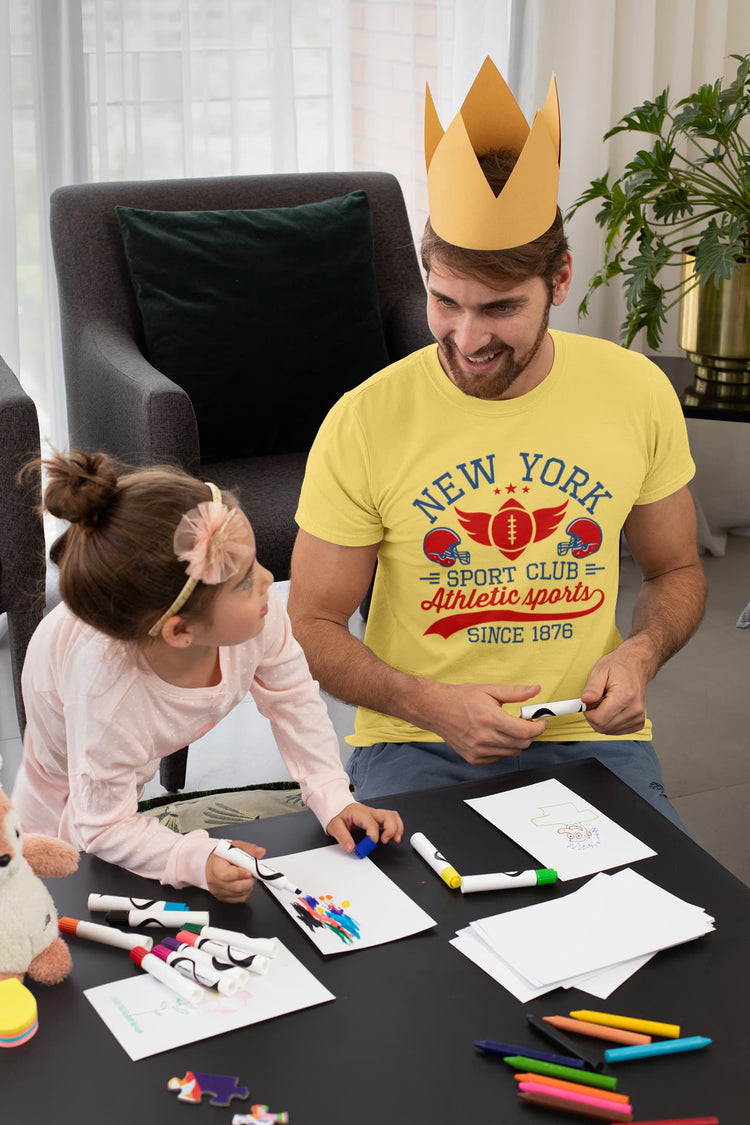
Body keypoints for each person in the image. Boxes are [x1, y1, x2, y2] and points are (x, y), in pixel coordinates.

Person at [287, 59, 707, 829]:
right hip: (418, 738)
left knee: (680, 934)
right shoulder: (365, 418)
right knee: (423, 943)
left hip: (589, 735)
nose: (467, 337)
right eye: (444, 301)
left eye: (501, 307)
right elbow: (310, 625)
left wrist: (641, 652)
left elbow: (677, 567)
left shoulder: (635, 391)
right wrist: (427, 702)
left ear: (561, 278)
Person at [12, 450, 402, 901]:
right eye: (243, 581)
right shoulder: (107, 702)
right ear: (181, 631)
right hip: (60, 682)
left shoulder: (260, 613)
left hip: (132, 694)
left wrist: (334, 796)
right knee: (69, 811)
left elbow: (294, 700)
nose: (269, 580)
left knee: (117, 781)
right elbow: (101, 827)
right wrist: (190, 858)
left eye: (254, 563)